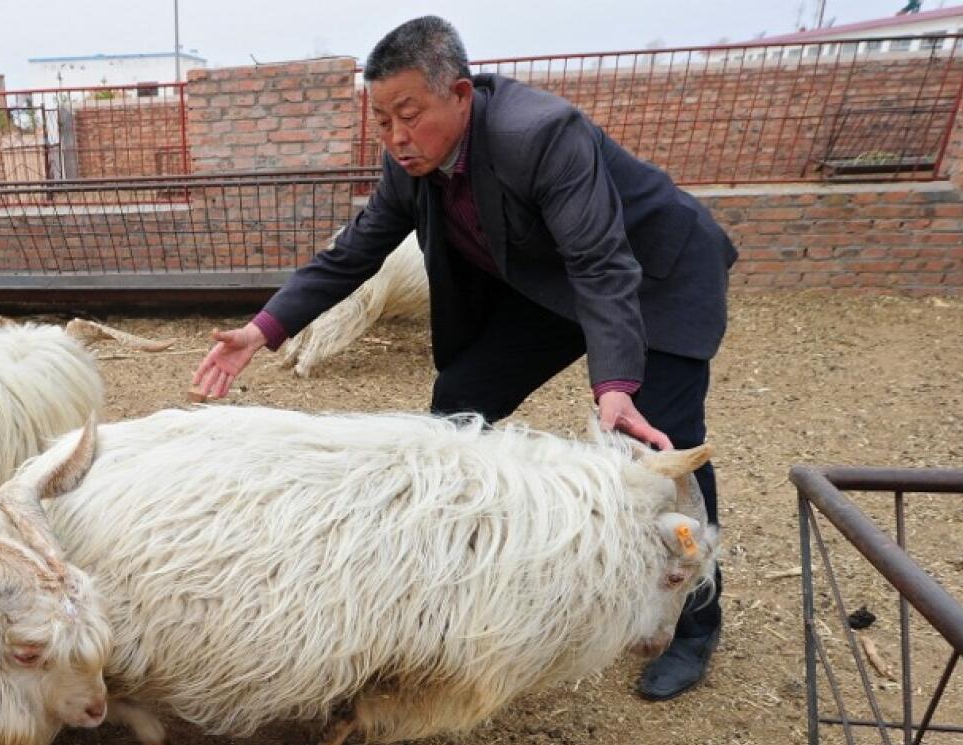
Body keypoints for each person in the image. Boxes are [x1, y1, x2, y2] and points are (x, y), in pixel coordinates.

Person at [194, 16, 736, 701]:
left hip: (655, 276)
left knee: (663, 447)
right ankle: (454, 566)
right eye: (381, 119)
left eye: (408, 114)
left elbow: (601, 265)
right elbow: (353, 252)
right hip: (550, 282)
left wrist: (615, 386)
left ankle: (695, 623)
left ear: (458, 94)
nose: (393, 136)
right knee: (461, 396)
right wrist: (263, 328)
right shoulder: (409, 164)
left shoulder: (539, 133)